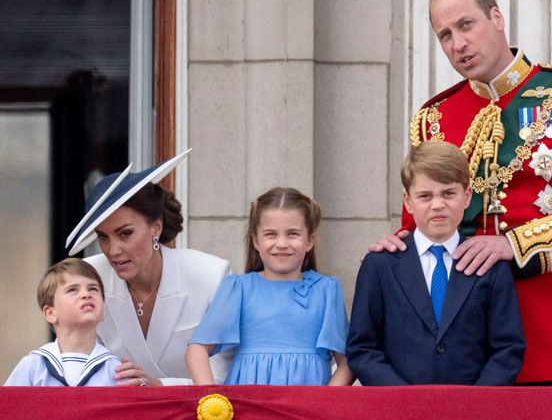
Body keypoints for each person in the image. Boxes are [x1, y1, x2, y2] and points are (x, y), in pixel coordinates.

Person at [369, 0, 552, 385]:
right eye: (445, 35)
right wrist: (399, 243)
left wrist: (513, 244)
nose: (458, 43)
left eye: (466, 25)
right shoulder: (434, 118)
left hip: (548, 335)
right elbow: (420, 221)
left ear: (497, 17)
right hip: (458, 347)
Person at [348, 141, 525, 385]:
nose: (438, 204)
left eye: (448, 193)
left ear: (467, 196)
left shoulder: (490, 266)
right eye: (425, 196)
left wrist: (474, 405)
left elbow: (507, 349)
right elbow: (363, 348)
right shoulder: (380, 265)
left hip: (471, 410)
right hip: (400, 409)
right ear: (408, 201)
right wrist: (405, 401)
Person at [65, 149, 231, 386]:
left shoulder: (210, 276)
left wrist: (160, 386)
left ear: (156, 227)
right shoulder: (89, 279)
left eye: (125, 234)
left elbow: (224, 376)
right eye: (103, 237)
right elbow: (79, 368)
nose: (113, 250)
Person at [186, 187, 354, 386]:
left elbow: (347, 362)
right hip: (248, 406)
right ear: (256, 241)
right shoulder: (238, 288)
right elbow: (196, 349)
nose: (282, 243)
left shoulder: (327, 290)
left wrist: (324, 402)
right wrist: (210, 397)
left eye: (292, 234)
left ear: (309, 241)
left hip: (307, 408)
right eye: (271, 234)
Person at [5, 258, 121, 386]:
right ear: (51, 313)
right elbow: (8, 405)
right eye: (72, 290)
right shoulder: (33, 366)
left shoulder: (117, 370)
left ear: (103, 311)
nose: (86, 294)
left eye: (93, 289)